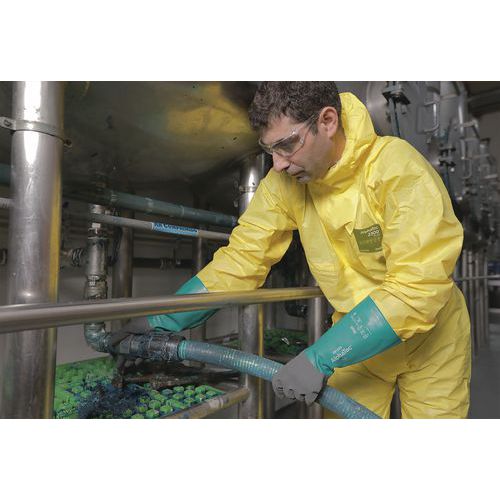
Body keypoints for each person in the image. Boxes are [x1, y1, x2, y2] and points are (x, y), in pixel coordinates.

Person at [121, 82, 471, 418]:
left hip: (430, 343)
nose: (278, 164)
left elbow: (415, 289)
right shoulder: (283, 185)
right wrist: (162, 319)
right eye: (269, 150)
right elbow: (243, 258)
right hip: (355, 341)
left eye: (287, 145)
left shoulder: (397, 169)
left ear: (327, 121)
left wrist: (321, 357)